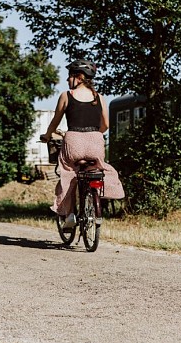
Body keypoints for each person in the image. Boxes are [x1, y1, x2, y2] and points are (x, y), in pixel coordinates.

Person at [41, 59, 125, 227]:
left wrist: (47, 136)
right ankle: (96, 203)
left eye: (69, 76)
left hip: (73, 141)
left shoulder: (66, 95)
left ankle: (69, 213)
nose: (67, 80)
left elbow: (55, 122)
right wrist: (93, 135)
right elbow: (106, 125)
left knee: (68, 174)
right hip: (96, 142)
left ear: (78, 77)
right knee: (95, 169)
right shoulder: (99, 97)